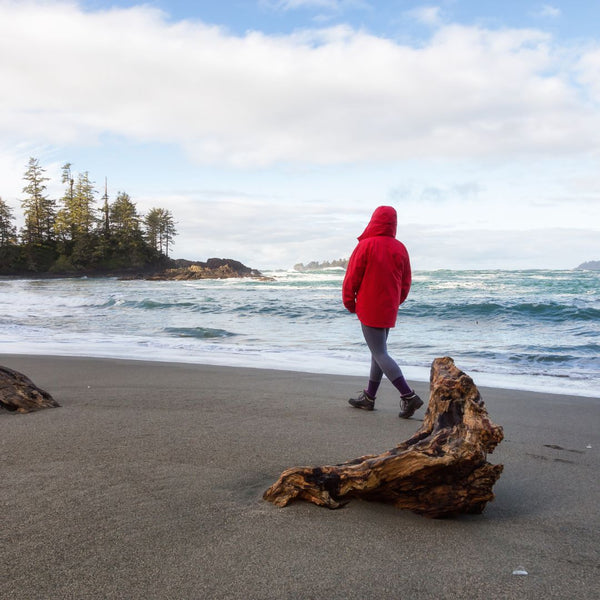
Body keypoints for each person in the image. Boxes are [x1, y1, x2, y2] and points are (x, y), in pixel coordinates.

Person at [342, 205, 423, 418]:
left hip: (370, 305)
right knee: (378, 352)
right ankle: (369, 397)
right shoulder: (400, 247)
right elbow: (406, 281)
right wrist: (398, 301)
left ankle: (409, 395)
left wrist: (349, 302)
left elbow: (352, 278)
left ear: (374, 220)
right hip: (389, 307)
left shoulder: (365, 246)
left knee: (379, 352)